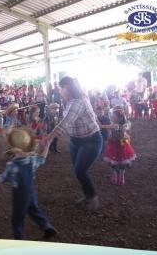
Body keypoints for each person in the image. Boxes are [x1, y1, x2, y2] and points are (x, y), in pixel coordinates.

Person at [45, 77, 103, 212]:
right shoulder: (71, 101)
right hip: (75, 141)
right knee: (79, 171)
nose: (59, 90)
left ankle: (93, 199)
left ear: (67, 87)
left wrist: (49, 138)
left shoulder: (79, 101)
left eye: (60, 88)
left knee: (80, 171)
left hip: (91, 140)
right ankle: (88, 195)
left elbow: (65, 122)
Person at [0, 127, 57, 240]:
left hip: (19, 195)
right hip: (31, 191)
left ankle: (19, 239)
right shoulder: (32, 159)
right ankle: (46, 226)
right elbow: (42, 159)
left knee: (17, 218)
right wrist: (47, 145)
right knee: (34, 210)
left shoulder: (12, 164)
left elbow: (4, 177)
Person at [103, 108, 136, 185]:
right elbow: (128, 134)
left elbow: (104, 126)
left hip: (114, 143)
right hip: (122, 142)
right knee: (122, 161)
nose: (111, 117)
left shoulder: (115, 125)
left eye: (113, 116)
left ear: (118, 118)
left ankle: (115, 176)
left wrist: (98, 123)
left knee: (113, 161)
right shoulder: (126, 123)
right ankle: (121, 177)